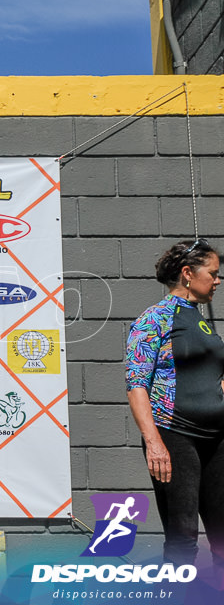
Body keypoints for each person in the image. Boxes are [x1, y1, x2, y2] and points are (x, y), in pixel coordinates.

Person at [125, 239, 224, 567]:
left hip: (216, 439)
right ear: (187, 273)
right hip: (175, 436)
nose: (217, 280)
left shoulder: (201, 320)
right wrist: (154, 443)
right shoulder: (155, 319)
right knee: (183, 536)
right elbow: (136, 384)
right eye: (212, 274)